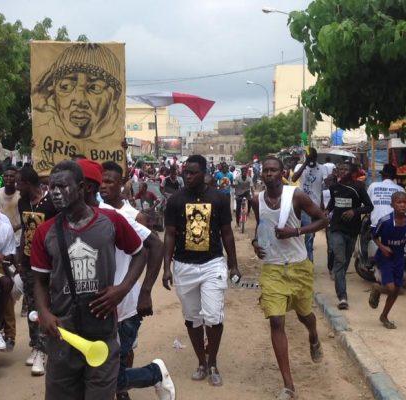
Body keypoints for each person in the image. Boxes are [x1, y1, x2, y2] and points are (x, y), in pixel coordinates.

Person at [32, 160, 146, 400]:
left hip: (102, 334)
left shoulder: (111, 221)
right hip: (63, 337)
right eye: (51, 187)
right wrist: (44, 312)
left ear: (82, 187)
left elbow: (140, 253)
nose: (55, 192)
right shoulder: (45, 232)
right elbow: (40, 282)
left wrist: (122, 289)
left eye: (62, 186)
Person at [251, 157, 327, 400]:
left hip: (298, 266)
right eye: (266, 170)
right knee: (276, 321)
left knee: (305, 315)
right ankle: (288, 385)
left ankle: (313, 336)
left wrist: (295, 231)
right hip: (272, 268)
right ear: (261, 174)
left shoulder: (296, 196)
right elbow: (260, 228)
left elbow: (323, 219)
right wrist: (255, 243)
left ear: (282, 172)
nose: (269, 174)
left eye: (273, 170)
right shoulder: (257, 200)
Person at [98, 161, 175, 400]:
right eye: (101, 181)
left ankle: (153, 374)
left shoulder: (133, 216)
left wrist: (145, 291)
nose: (103, 187)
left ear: (122, 184)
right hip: (100, 303)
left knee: (121, 357)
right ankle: (121, 390)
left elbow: (153, 247)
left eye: (109, 182)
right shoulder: (93, 211)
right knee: (106, 365)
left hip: (126, 303)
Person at [162, 155, 240, 386]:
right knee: (193, 318)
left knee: (213, 316)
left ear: (205, 173)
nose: (188, 176)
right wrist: (166, 268)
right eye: (186, 172)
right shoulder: (175, 200)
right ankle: (201, 362)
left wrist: (233, 263)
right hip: (184, 266)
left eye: (193, 172)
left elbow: (226, 232)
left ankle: (213, 361)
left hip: (212, 264)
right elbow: (169, 234)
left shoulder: (219, 198)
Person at [32, 43, 122, 142]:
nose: (79, 101)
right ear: (53, 92)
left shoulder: (115, 144)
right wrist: (35, 101)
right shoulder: (44, 136)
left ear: (115, 97)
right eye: (66, 86)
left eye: (95, 87)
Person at [17, 166, 58, 376]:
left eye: (19, 182)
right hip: (27, 261)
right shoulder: (22, 202)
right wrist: (19, 257)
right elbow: (25, 230)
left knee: (46, 304)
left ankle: (44, 350)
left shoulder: (51, 202)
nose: (16, 186)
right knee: (32, 305)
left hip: (48, 261)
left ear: (28, 183)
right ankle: (35, 345)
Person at [327, 161, 373, 310]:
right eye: (340, 168)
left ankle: (340, 279)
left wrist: (354, 211)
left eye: (345, 169)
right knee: (340, 260)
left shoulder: (358, 187)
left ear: (352, 172)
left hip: (352, 230)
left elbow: (369, 206)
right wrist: (324, 213)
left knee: (345, 261)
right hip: (336, 228)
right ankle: (342, 297)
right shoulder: (334, 187)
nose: (342, 171)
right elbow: (332, 204)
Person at [368, 192, 406, 329]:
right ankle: (376, 288)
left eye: (405, 202)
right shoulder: (386, 221)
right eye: (399, 202)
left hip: (399, 257)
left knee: (396, 290)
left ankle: (384, 316)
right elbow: (374, 235)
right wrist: (382, 247)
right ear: (392, 205)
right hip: (385, 258)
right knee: (390, 288)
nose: (402, 205)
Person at [0, 165, 22, 351]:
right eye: (6, 176)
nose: (9, 179)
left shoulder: (21, 195)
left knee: (8, 289)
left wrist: (12, 229)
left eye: (12, 176)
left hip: (16, 241)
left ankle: (9, 334)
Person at [291, 148, 327, 262]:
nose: (311, 159)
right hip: (301, 206)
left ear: (316, 157)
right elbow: (294, 178)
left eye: (312, 157)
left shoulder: (322, 168)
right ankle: (306, 261)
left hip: (314, 207)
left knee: (310, 237)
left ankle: (308, 262)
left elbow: (325, 187)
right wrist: (305, 163)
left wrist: (323, 206)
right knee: (303, 236)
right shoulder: (299, 167)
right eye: (309, 157)